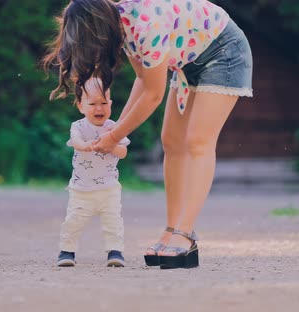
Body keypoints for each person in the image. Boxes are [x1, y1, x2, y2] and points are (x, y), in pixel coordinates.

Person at [44, 0, 253, 269]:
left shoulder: (144, 24)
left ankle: (185, 234)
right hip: (189, 60)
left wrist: (113, 136)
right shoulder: (122, 29)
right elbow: (143, 79)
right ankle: (172, 229)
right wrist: (114, 131)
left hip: (223, 52)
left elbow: (154, 95)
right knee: (172, 141)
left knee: (198, 141)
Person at [56, 77, 131, 267]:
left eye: (104, 103)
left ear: (111, 104)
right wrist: (87, 146)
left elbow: (123, 152)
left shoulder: (114, 127)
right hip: (81, 188)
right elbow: (77, 142)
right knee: (73, 221)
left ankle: (115, 252)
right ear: (81, 106)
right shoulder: (78, 126)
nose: (99, 108)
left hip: (109, 188)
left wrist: (112, 144)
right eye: (93, 104)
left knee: (113, 221)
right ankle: (67, 251)